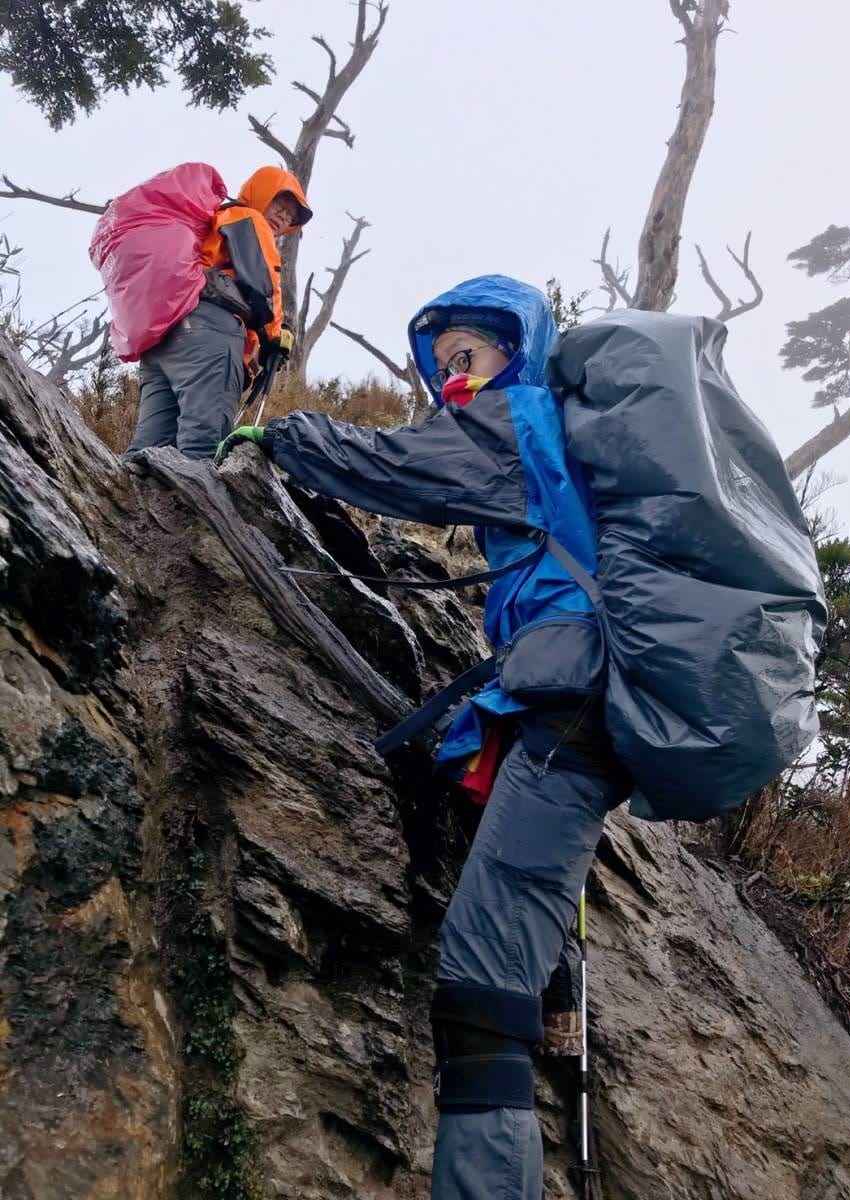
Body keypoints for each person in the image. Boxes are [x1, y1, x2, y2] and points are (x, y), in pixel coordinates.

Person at [216, 274, 629, 1199]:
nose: (452, 380)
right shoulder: (552, 432)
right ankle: (556, 981)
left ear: (512, 351)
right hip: (564, 697)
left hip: (569, 704)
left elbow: (399, 469)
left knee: (480, 994)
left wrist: (287, 436)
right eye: (442, 367)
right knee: (506, 859)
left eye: (465, 358)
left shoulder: (517, 417)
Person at [126, 165, 311, 460]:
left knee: (147, 452)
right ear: (261, 193)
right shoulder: (249, 218)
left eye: (290, 216)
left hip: (165, 339)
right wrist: (275, 336)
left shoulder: (214, 223)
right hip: (209, 335)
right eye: (279, 203)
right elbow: (262, 285)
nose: (283, 216)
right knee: (204, 445)